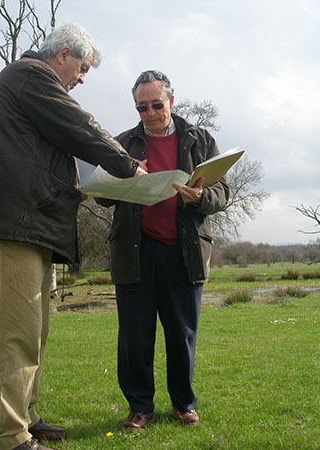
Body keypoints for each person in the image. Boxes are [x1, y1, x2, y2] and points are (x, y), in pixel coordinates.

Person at [0, 24, 146, 450]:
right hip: (16, 223)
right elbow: (78, 126)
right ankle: (8, 437)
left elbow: (47, 148)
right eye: (82, 67)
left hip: (31, 224)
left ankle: (24, 417)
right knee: (16, 333)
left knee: (35, 330)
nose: (83, 78)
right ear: (63, 54)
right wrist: (128, 166)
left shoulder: (29, 85)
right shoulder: (30, 75)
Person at [97, 70, 229, 431]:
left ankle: (183, 404)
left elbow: (223, 194)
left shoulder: (200, 140)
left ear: (171, 100)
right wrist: (124, 176)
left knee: (182, 334)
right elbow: (104, 196)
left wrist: (202, 197)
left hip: (183, 254)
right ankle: (140, 408)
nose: (151, 113)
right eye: (142, 107)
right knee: (135, 336)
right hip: (135, 253)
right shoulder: (122, 143)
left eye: (157, 104)